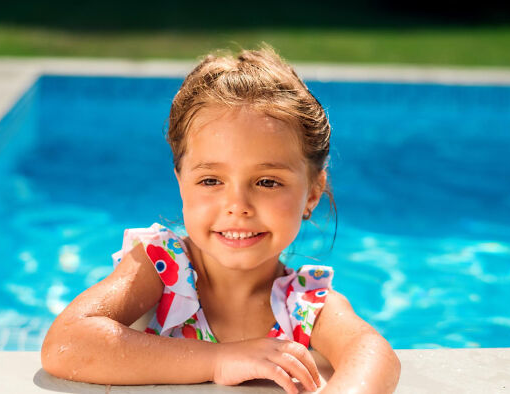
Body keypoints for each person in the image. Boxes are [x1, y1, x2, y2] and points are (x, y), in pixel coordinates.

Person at [41, 44, 401, 394]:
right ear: (181, 184)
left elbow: (373, 353)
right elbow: (67, 342)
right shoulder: (162, 267)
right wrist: (219, 360)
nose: (237, 205)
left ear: (311, 193)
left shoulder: (306, 305)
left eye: (267, 182)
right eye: (211, 181)